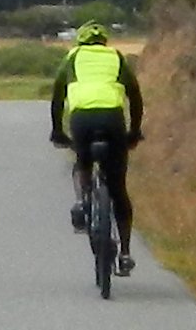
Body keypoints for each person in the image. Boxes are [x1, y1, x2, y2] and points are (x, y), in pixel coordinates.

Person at [49, 20, 144, 272]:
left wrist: (57, 130)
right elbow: (135, 95)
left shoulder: (73, 57)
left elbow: (58, 95)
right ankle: (125, 253)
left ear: (80, 40)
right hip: (112, 119)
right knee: (118, 188)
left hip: (82, 119)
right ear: (104, 41)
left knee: (82, 162)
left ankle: (82, 202)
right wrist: (134, 131)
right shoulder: (117, 57)